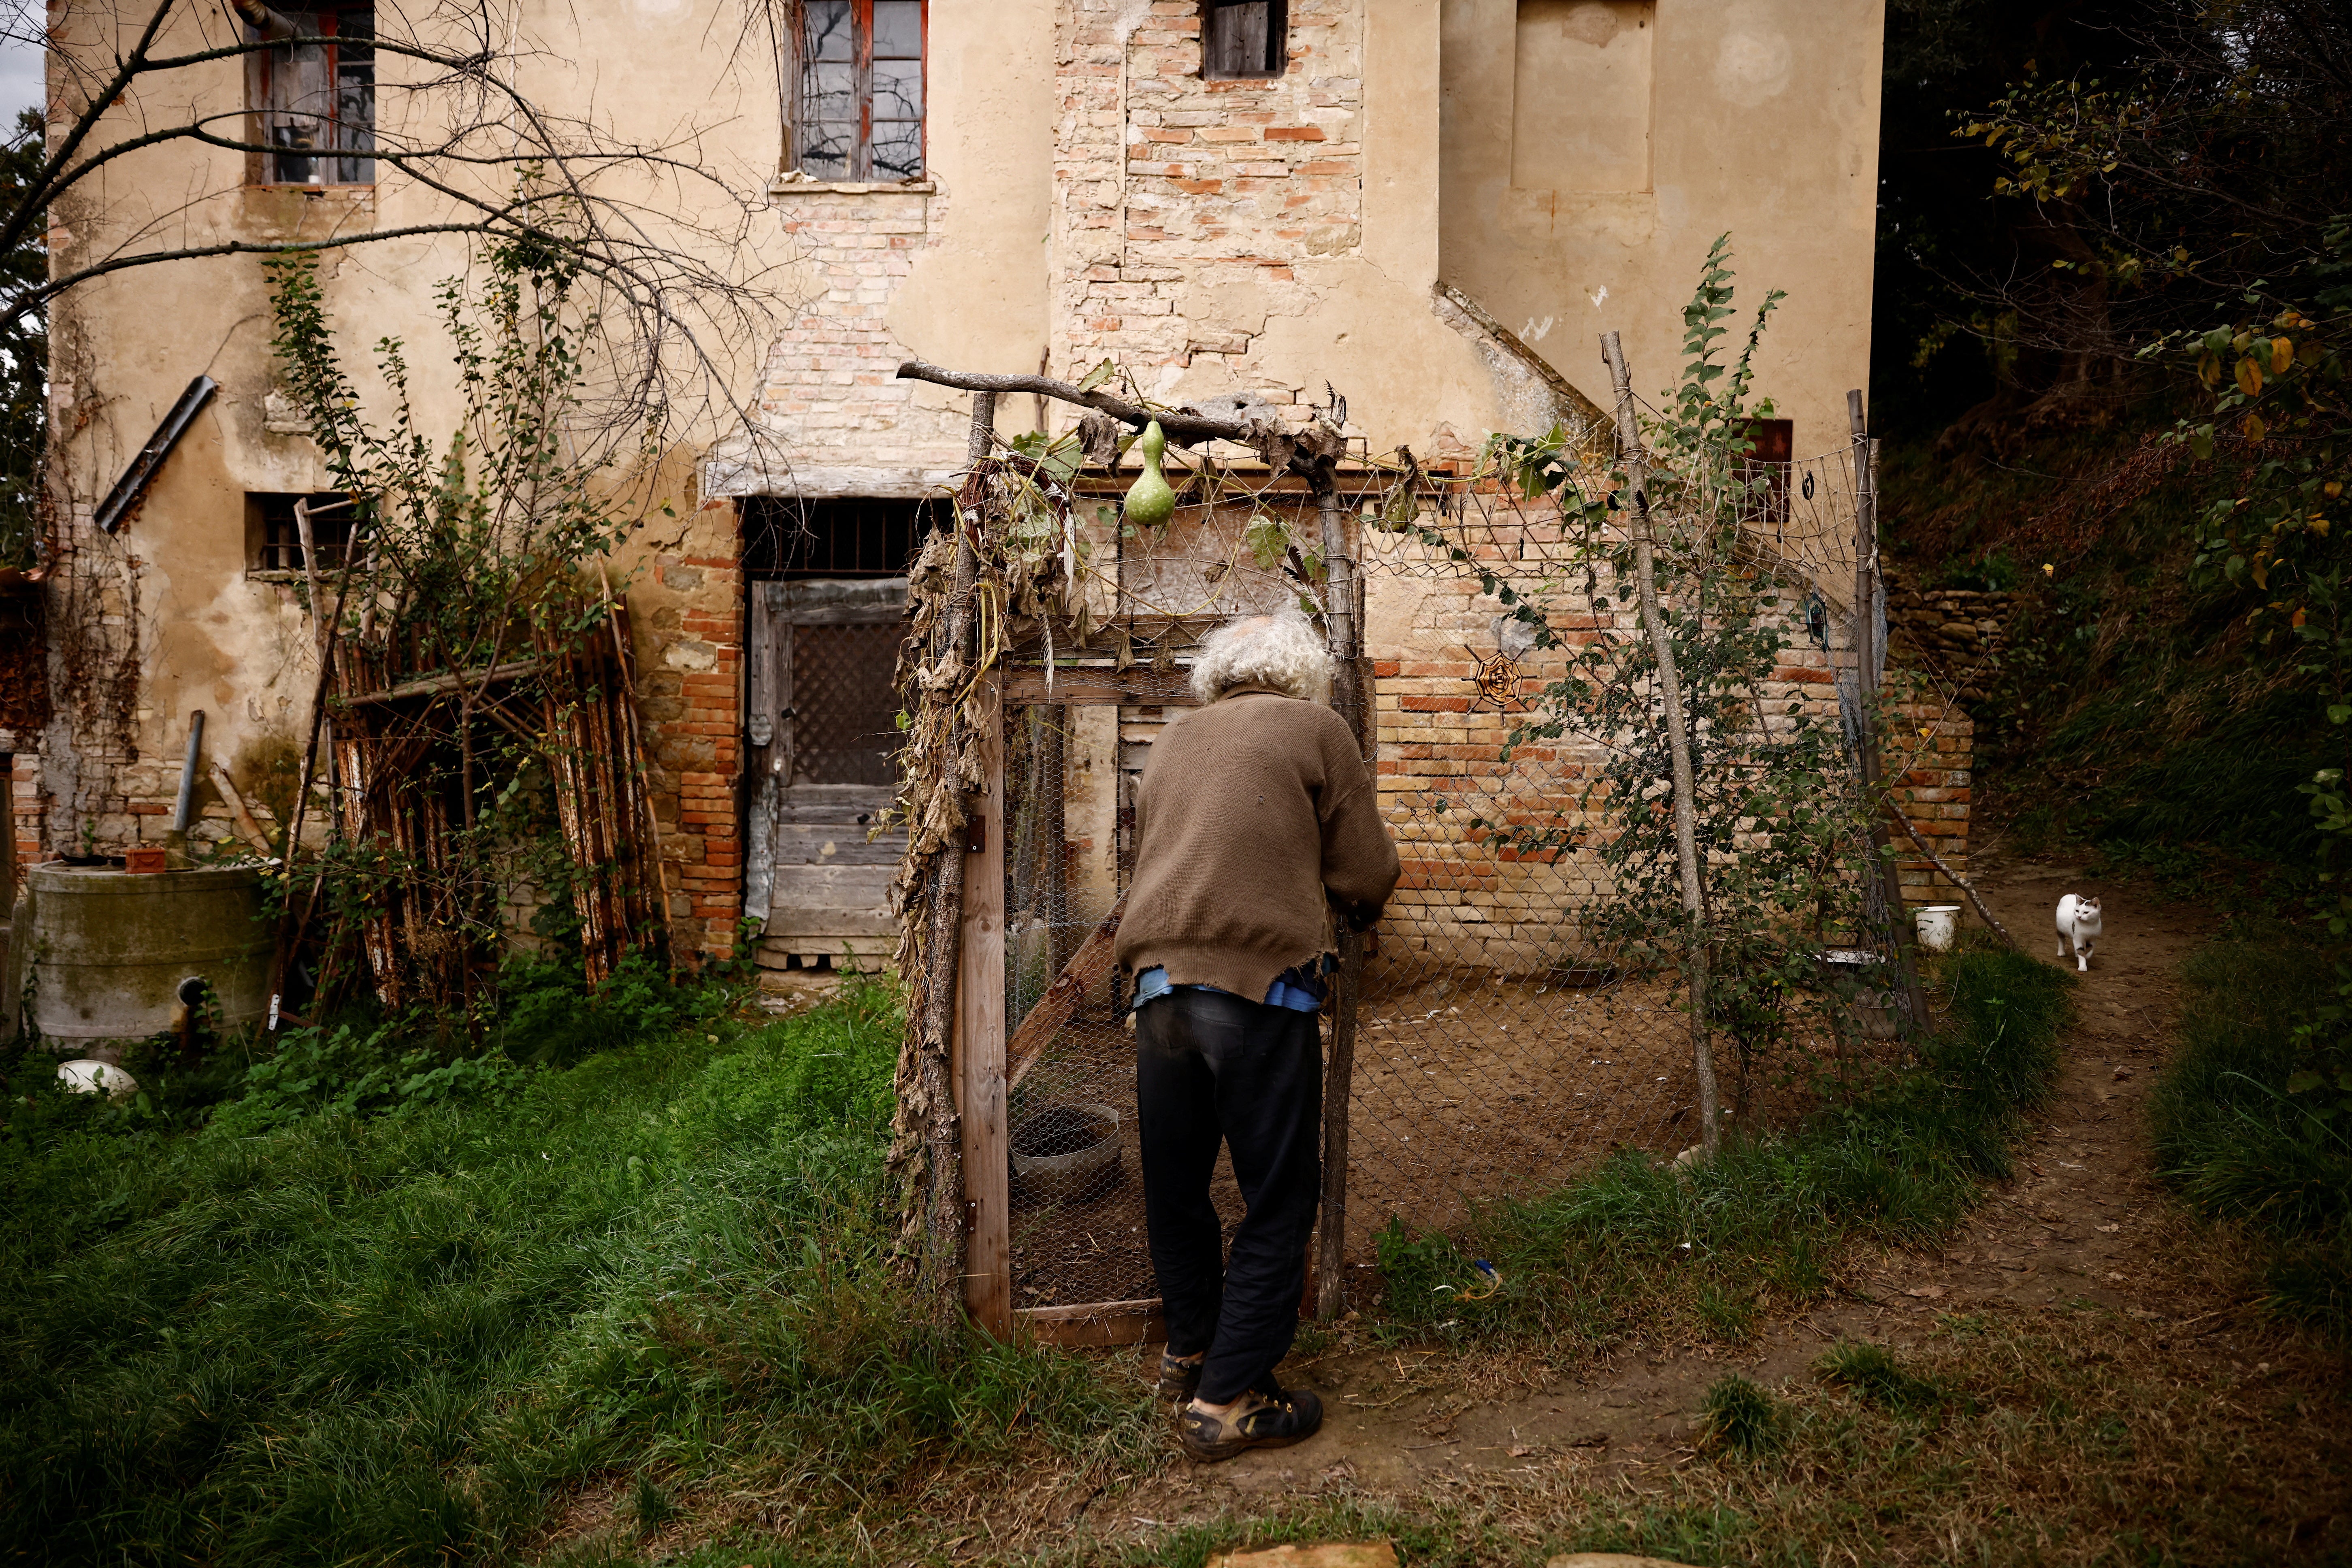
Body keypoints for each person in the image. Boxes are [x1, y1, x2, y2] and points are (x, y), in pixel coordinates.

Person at [1114, 609, 1401, 1462]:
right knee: (1277, 1195)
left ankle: (1193, 1344)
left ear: (1218, 673)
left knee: (1177, 1184)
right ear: (1302, 670)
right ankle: (1230, 1396)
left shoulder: (1172, 739)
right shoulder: (1318, 728)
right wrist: (1358, 904)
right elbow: (1366, 868)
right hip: (1259, 990)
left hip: (1160, 989)